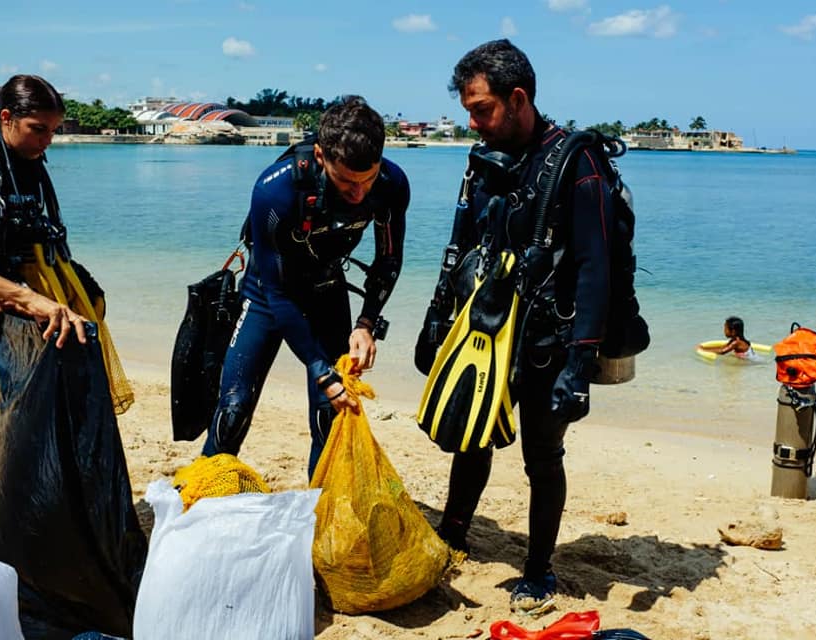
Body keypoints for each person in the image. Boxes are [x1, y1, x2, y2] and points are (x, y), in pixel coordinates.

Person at [415, 39, 615, 615]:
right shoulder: (486, 159)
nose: (472, 121)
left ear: (518, 98)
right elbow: (462, 245)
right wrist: (436, 319)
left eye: (481, 109)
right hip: (490, 329)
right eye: (469, 110)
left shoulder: (577, 164)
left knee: (541, 456)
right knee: (470, 434)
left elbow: (595, 270)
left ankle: (539, 568)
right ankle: (452, 535)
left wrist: (579, 368)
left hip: (550, 341)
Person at [202, 96, 409, 478]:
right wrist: (319, 368)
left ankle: (319, 515)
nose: (358, 194)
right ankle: (199, 511)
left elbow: (388, 261)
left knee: (331, 415)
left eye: (368, 179)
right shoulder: (275, 191)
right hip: (267, 292)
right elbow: (277, 293)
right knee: (233, 410)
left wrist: (366, 323)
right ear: (319, 155)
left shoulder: (392, 185)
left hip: (328, 289)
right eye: (346, 181)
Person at [0, 74, 88, 544]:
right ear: (6, 118)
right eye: (37, 128)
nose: (47, 140)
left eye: (53, 130)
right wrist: (10, 295)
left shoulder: (32, 162)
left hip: (7, 316)